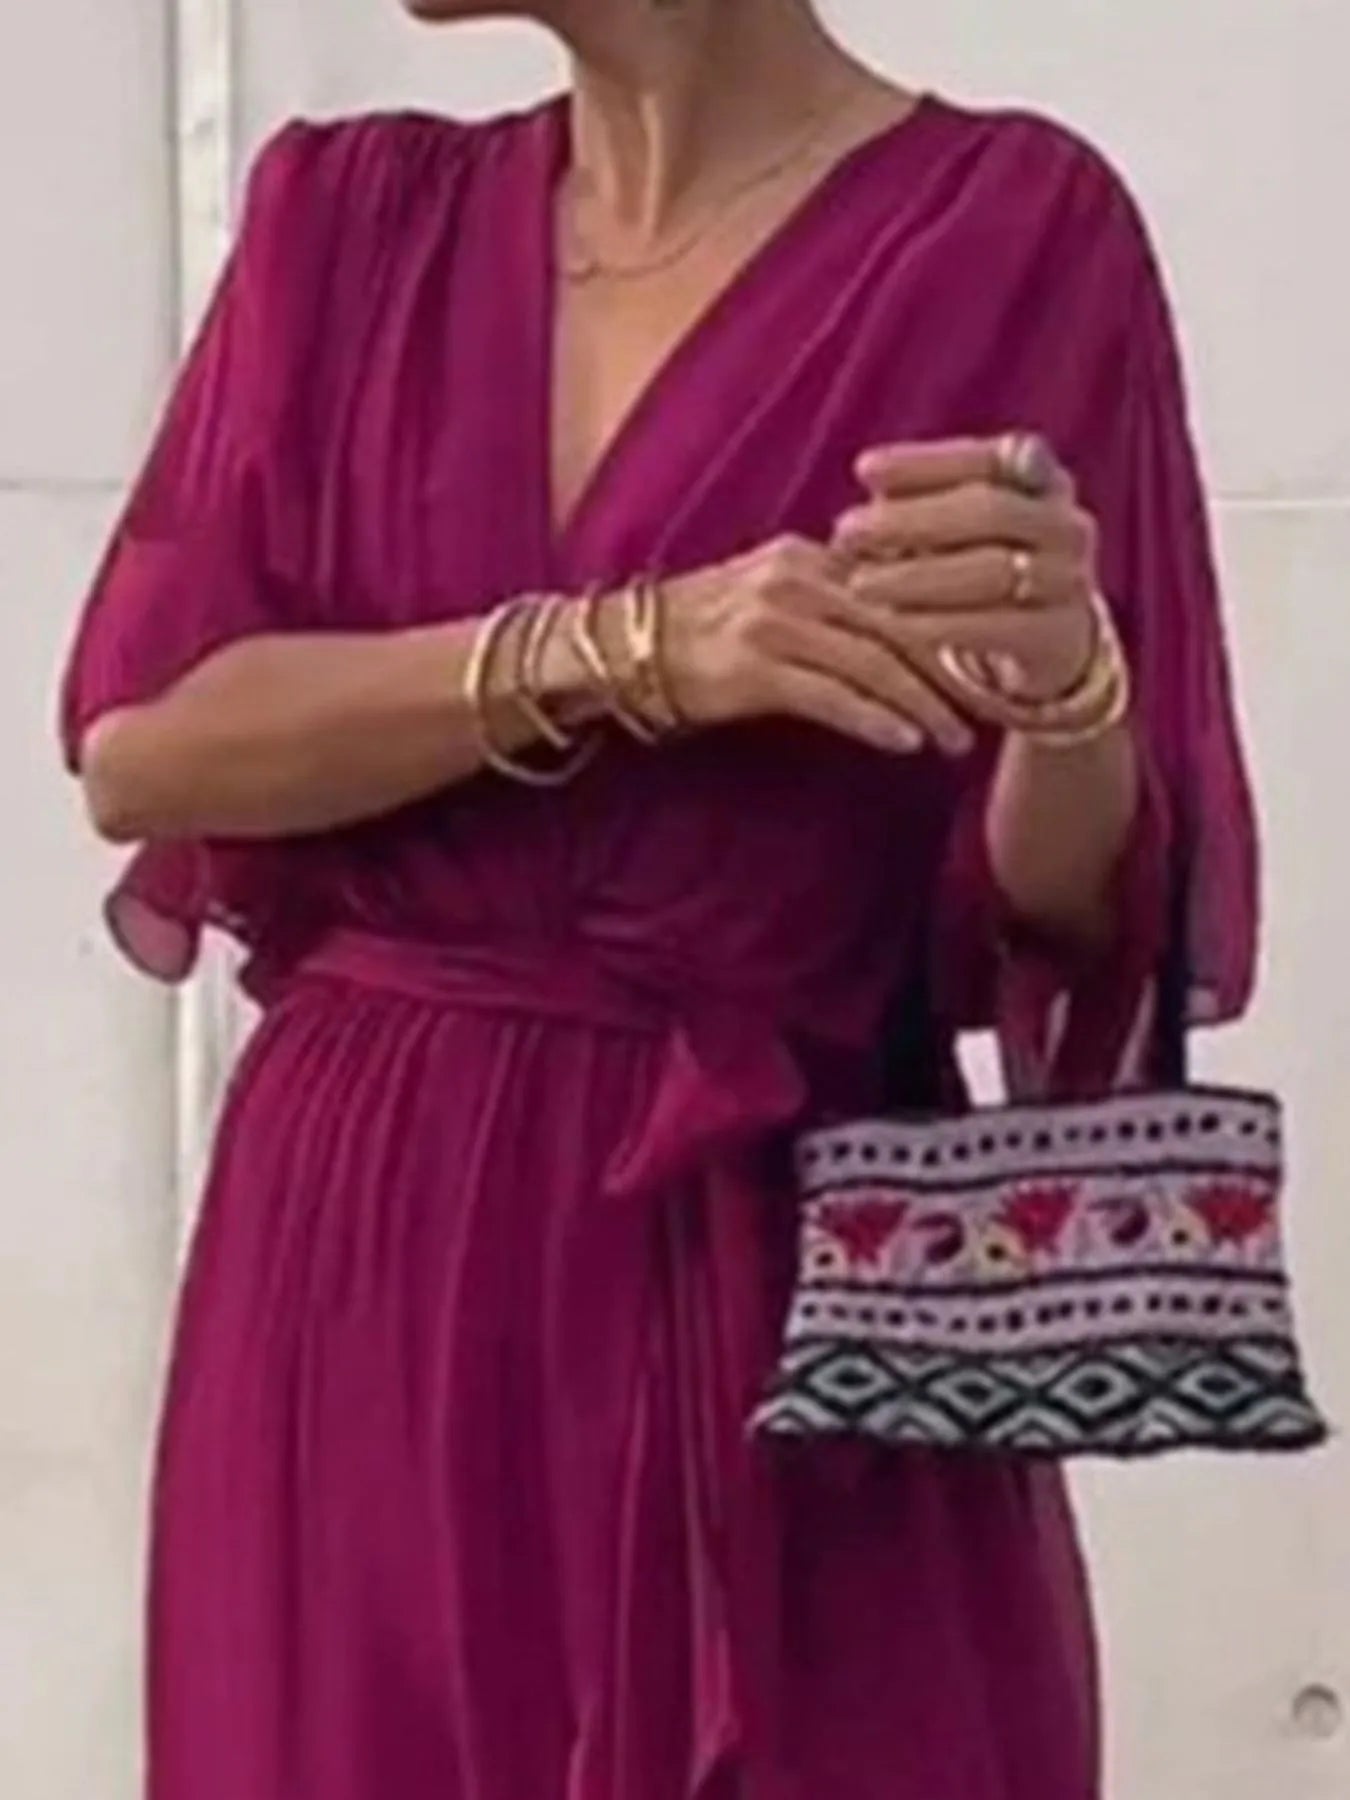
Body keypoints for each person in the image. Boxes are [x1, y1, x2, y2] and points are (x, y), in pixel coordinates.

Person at [59, 1, 1258, 1795]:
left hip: (790, 1261)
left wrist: (1070, 697)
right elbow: (144, 751)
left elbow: (1073, 924)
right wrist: (636, 649)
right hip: (371, 1261)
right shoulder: (348, 222)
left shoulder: (1014, 224)